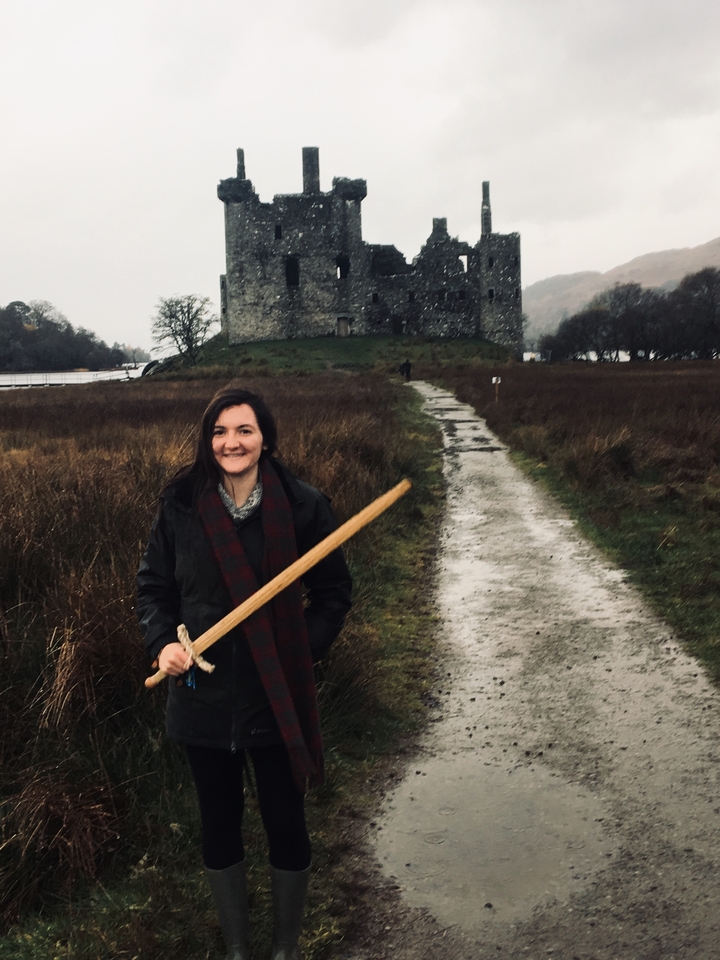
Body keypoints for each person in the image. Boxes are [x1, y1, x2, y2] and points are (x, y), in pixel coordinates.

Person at [137, 384, 352, 960]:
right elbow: (154, 588)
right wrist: (163, 645)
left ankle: (283, 950)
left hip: (273, 694)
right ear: (208, 441)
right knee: (219, 821)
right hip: (201, 696)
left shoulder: (305, 505)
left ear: (265, 438)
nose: (232, 442)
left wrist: (298, 652)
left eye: (245, 430)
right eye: (220, 432)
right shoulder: (180, 503)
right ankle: (237, 949)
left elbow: (333, 593)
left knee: (286, 821)